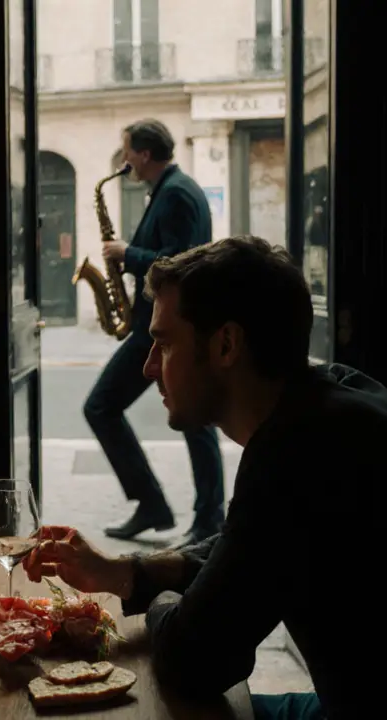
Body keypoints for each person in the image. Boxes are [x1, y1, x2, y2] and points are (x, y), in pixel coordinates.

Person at [29, 237, 387, 719]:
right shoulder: (337, 394)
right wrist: (122, 572)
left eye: (165, 341)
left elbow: (195, 658)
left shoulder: (300, 452)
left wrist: (167, 603)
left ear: (226, 344)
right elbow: (245, 547)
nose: (150, 366)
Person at [84, 118, 224, 543]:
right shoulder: (173, 190)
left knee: (103, 407)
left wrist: (130, 253)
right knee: (195, 417)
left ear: (144, 154)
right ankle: (188, 513)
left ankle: (182, 512)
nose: (125, 159)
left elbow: (179, 259)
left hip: (164, 329)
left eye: (127, 150)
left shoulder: (177, 193)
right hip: (165, 326)